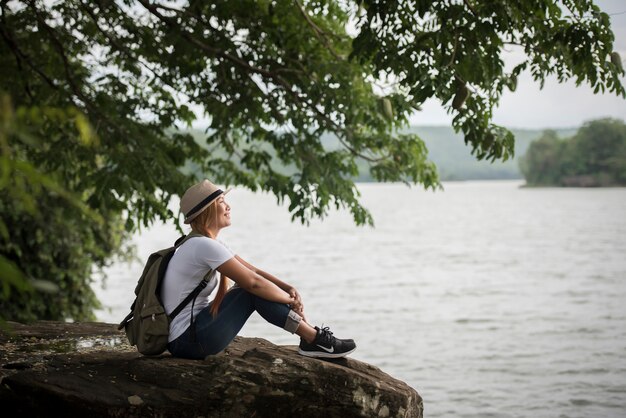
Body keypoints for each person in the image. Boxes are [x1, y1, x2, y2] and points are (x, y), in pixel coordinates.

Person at [163, 179, 356, 360]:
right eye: (222, 201)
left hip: (190, 335)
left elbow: (253, 272)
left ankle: (311, 338)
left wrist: (288, 288)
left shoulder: (205, 242)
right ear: (208, 210)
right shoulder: (203, 246)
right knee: (250, 292)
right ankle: (313, 339)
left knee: (254, 288)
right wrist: (289, 300)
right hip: (188, 341)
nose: (228, 206)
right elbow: (253, 284)